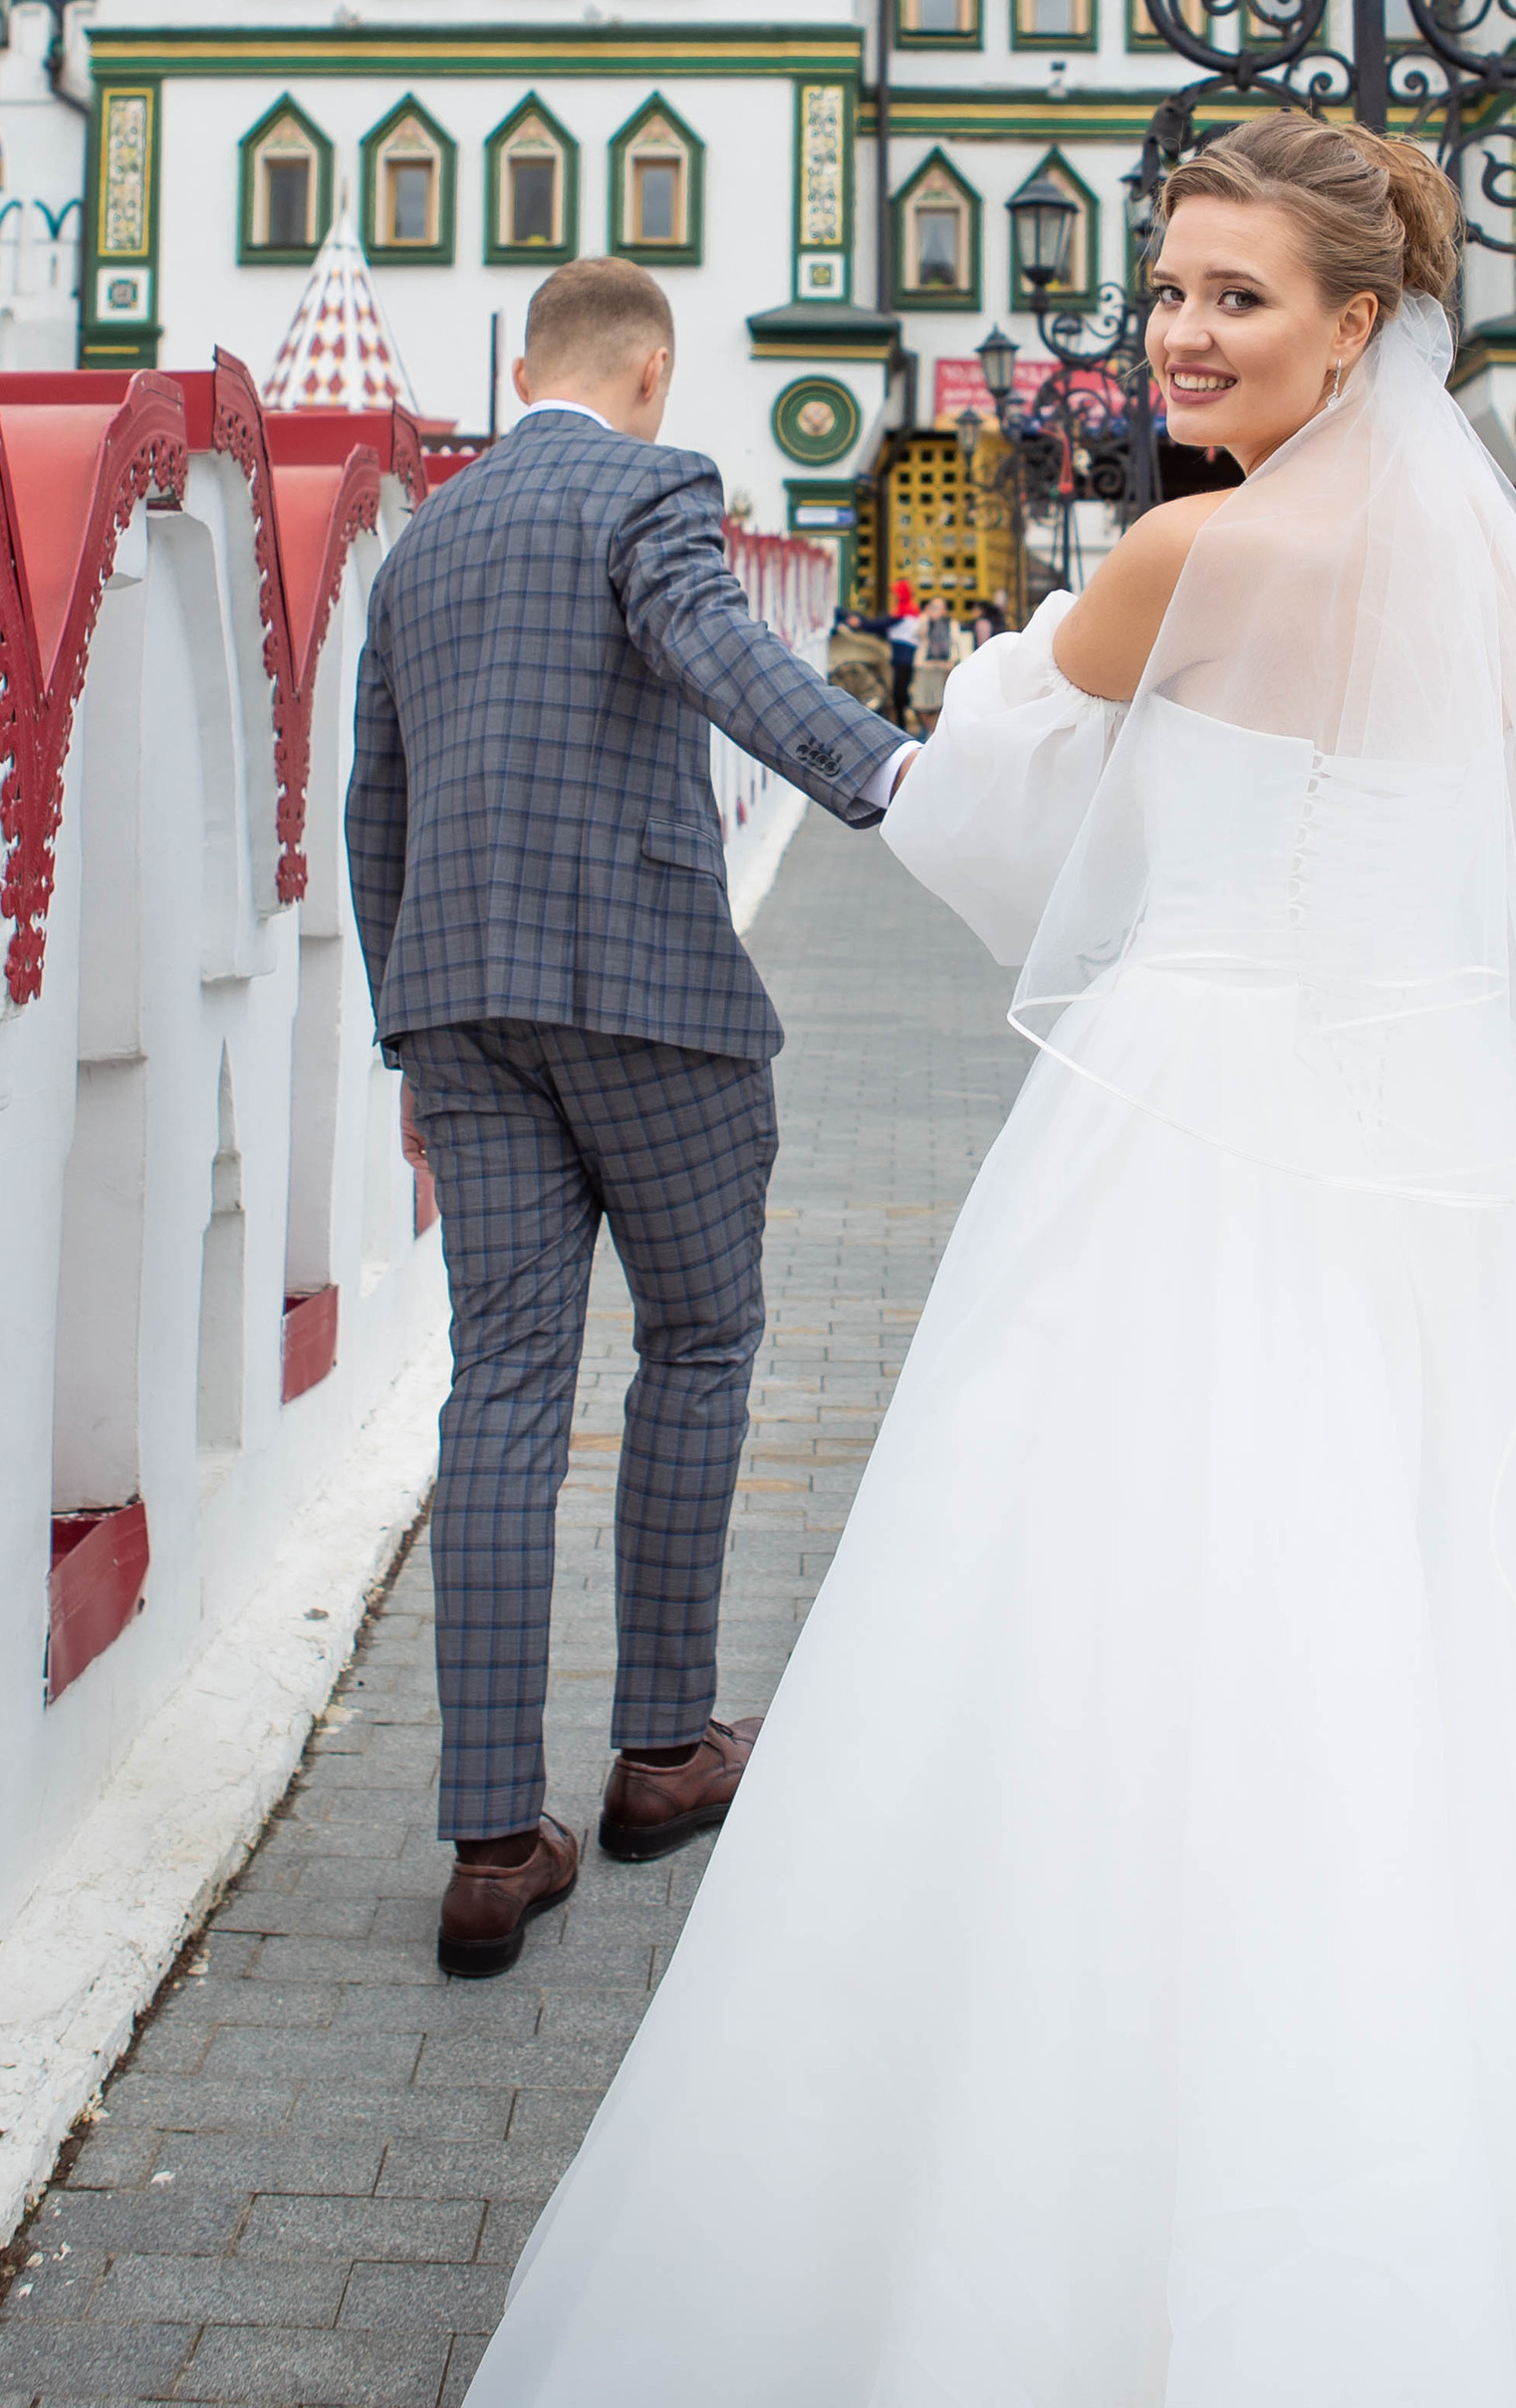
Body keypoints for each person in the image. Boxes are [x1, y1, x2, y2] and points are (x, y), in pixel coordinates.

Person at [459, 118, 1516, 2406]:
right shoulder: (1497, 579)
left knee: (1119, 1654)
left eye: (1233, 298)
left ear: (1355, 325)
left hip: (1186, 1140)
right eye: (1166, 290)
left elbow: (994, 843)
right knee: (1475, 1669)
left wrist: (1015, 721)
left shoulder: (1183, 559)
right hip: (1450, 1154)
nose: (1178, 333)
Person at [346, 257, 911, 1982]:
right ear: (649, 372)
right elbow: (709, 639)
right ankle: (666, 1752)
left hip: (461, 1005)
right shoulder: (651, 484)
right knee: (699, 1343)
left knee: (504, 1388)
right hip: (649, 995)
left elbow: (380, 801)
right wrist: (887, 773)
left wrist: (412, 1047)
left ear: (526, 368)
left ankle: (491, 1843)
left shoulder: (422, 539)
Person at [907, 601, 957, 733]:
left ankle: (934, 733)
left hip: (941, 667)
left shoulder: (951, 624)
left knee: (938, 703)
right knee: (920, 702)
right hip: (924, 666)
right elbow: (915, 633)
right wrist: (926, 618)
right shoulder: (925, 620)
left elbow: (955, 643)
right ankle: (928, 731)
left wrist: (952, 663)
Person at [885, 577, 920, 727]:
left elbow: (883, 623)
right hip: (902, 657)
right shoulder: (908, 610)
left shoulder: (905, 611)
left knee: (900, 693)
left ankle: (903, 724)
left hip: (904, 659)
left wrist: (860, 622)